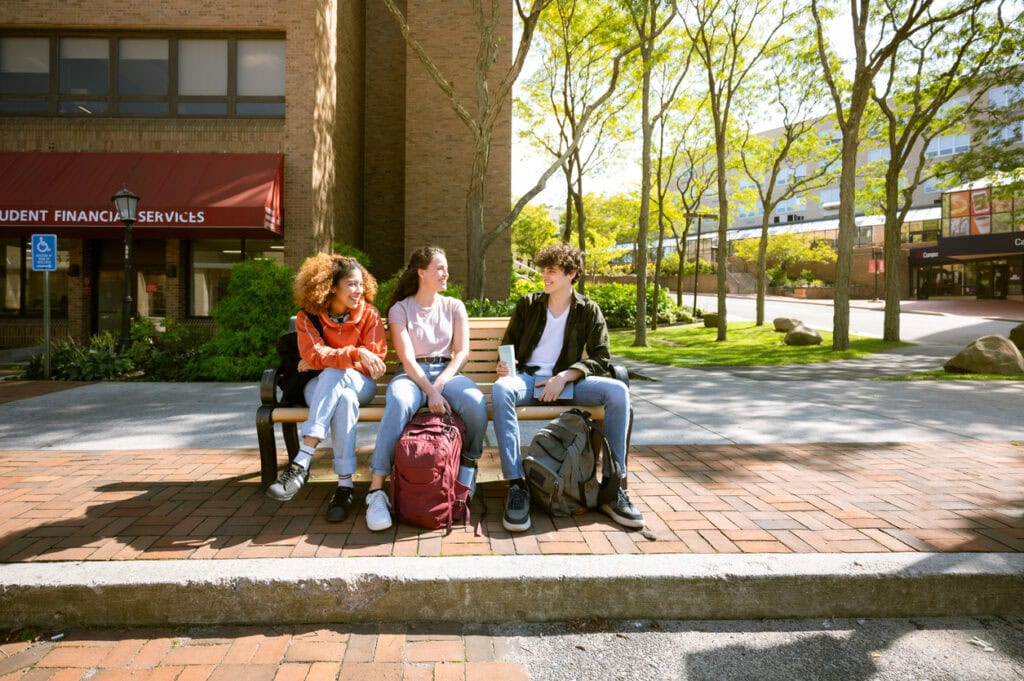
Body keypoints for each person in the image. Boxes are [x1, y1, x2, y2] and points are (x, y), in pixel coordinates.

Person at [492, 243, 644, 532]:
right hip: (528, 380)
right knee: (501, 390)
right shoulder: (528, 304)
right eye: (544, 270)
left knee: (618, 392)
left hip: (569, 383)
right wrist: (504, 365)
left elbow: (601, 357)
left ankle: (614, 489)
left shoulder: (589, 310)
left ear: (571, 274)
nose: (545, 276)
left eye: (552, 271)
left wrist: (564, 376)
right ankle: (516, 485)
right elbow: (507, 345)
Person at [365, 246, 488, 531]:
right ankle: (376, 490)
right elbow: (407, 358)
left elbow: (462, 353)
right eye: (440, 268)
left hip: (447, 372)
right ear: (421, 272)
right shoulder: (400, 309)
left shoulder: (454, 306)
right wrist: (429, 390)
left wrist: (441, 384)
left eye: (445, 268)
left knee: (475, 402)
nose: (446, 273)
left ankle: (468, 468)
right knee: (397, 402)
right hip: (412, 375)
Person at [265, 254, 388, 524]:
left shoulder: (369, 314)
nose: (359, 291)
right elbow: (313, 353)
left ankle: (303, 459)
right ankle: (345, 486)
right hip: (320, 388)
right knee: (341, 396)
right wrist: (355, 353)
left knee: (336, 373)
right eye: (351, 285)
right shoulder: (308, 317)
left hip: (361, 385)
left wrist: (331, 358)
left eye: (360, 284)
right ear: (333, 286)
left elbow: (375, 360)